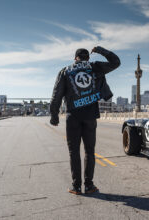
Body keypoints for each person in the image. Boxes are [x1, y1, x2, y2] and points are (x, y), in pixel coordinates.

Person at [49, 46, 120, 195]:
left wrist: (54, 115)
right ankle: (89, 186)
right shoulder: (94, 67)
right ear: (88, 58)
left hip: (72, 116)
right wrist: (101, 50)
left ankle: (76, 186)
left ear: (75, 58)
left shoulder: (65, 71)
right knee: (89, 152)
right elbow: (116, 62)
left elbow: (56, 94)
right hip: (90, 116)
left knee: (74, 152)